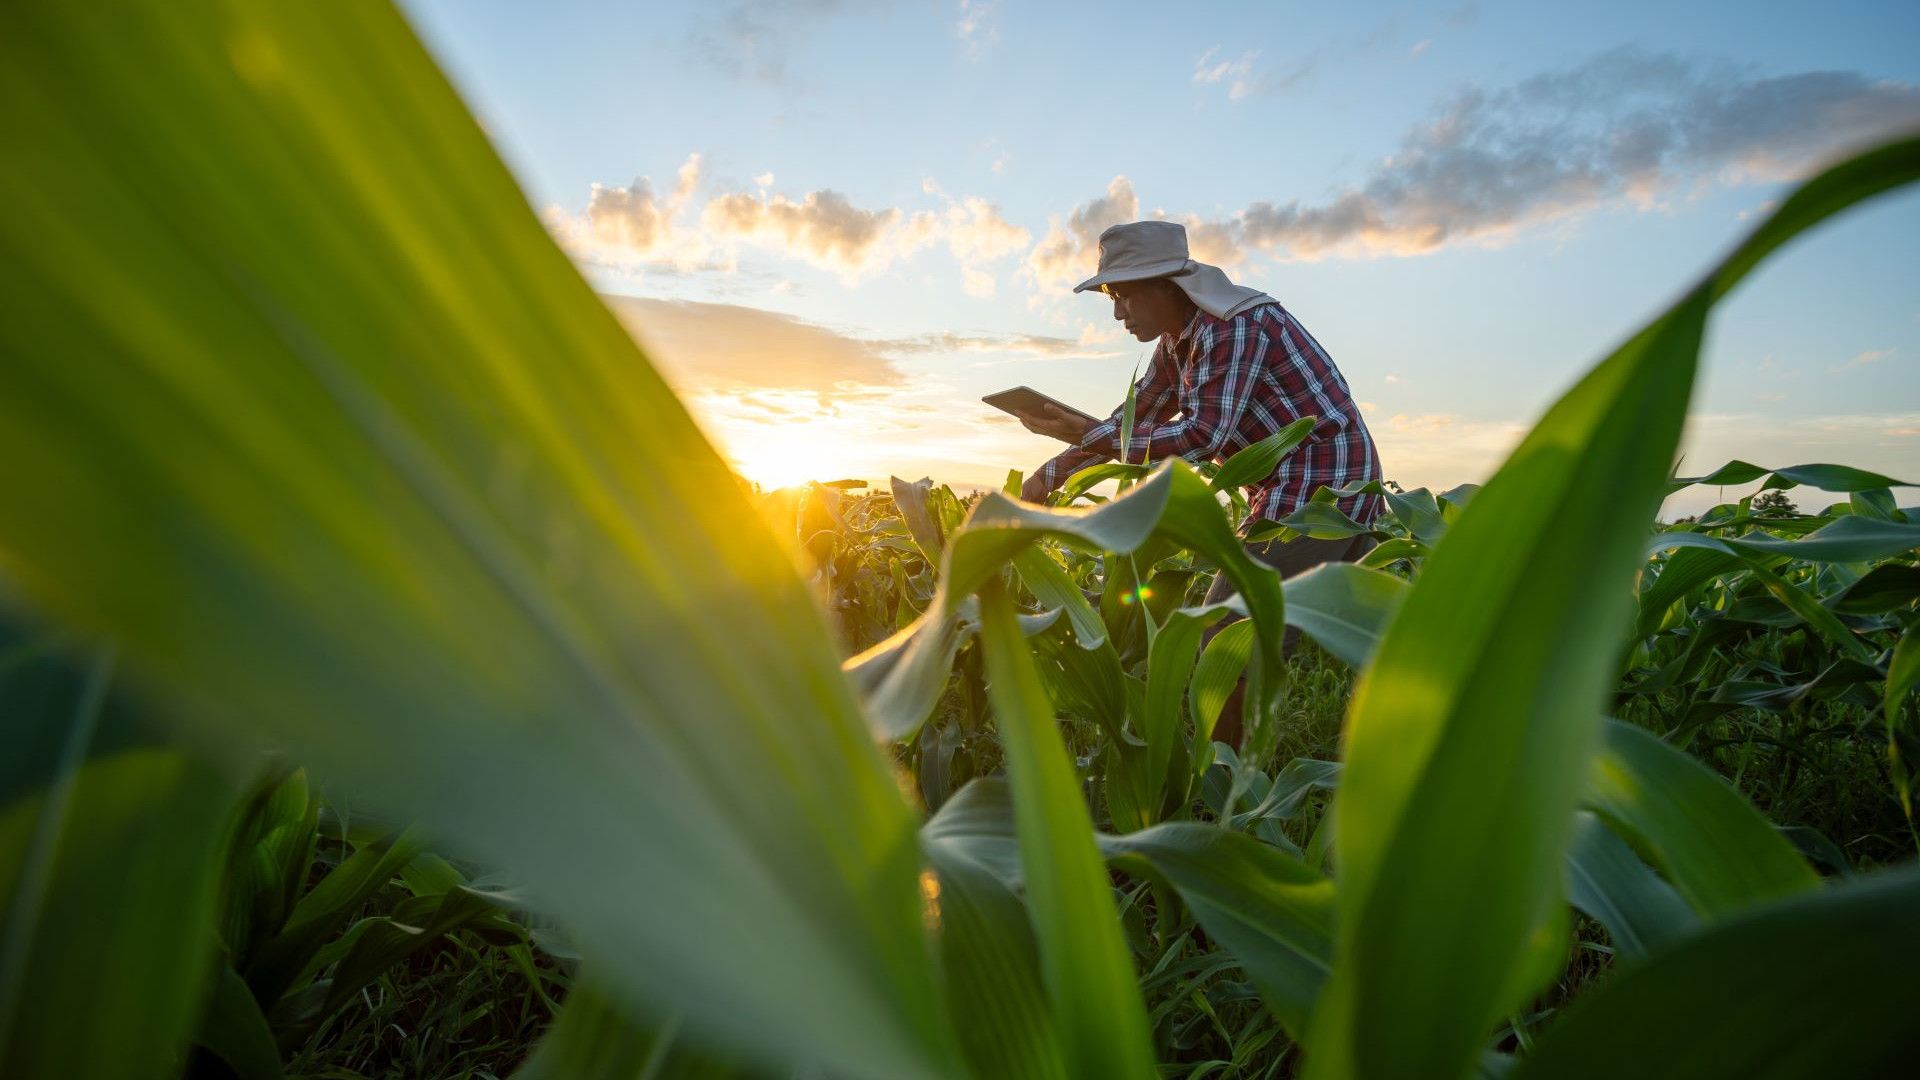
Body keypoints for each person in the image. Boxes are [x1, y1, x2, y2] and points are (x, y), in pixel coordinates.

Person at [1017, 221, 1383, 738]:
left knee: (1227, 636)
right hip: (1297, 487)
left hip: (1321, 487)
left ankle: (1228, 781)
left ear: (1167, 285)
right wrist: (1050, 473)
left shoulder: (1234, 326)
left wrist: (1090, 437)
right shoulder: (1178, 341)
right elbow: (1134, 420)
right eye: (1110, 298)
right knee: (1362, 635)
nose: (1117, 313)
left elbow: (1204, 436)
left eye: (1123, 296)